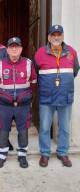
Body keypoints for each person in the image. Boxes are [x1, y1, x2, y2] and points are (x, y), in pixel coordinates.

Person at [34, 25, 79, 167]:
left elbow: (75, 70)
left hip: (65, 96)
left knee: (65, 127)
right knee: (45, 127)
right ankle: (45, 154)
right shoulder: (40, 53)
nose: (56, 37)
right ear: (48, 37)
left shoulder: (72, 52)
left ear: (63, 36)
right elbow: (35, 72)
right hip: (46, 97)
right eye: (53, 35)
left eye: (59, 34)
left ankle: (63, 153)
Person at [0, 37, 37, 168]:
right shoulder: (0, 63)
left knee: (23, 131)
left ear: (21, 49)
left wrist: (26, 96)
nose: (14, 49)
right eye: (11, 47)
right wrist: (4, 96)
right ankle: (1, 156)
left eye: (17, 46)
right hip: (5, 106)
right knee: (3, 131)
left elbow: (33, 83)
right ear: (7, 49)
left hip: (23, 106)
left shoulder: (28, 63)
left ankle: (22, 156)